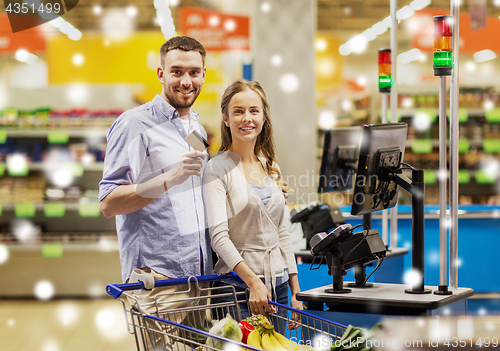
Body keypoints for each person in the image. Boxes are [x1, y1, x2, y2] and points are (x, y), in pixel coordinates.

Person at [98, 36, 211, 350]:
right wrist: (168, 178)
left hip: (199, 278)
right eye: (176, 72)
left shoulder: (196, 130)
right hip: (157, 276)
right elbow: (108, 202)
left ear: (204, 74)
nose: (185, 81)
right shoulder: (133, 125)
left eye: (193, 72)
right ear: (161, 74)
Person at [202, 80, 302, 327]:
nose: (247, 118)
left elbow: (282, 233)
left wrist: (295, 291)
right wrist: (253, 282)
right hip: (236, 289)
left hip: (276, 286)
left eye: (254, 110)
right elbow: (219, 237)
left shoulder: (271, 167)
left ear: (264, 117)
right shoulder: (217, 169)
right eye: (238, 111)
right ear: (226, 119)